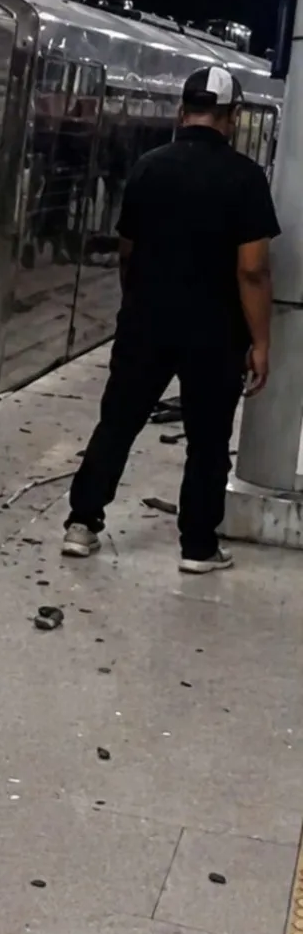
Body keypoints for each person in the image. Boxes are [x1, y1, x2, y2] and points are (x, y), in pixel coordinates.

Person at [63, 67, 280, 573]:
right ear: (231, 118)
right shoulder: (245, 178)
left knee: (117, 424)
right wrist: (261, 341)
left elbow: (126, 250)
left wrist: (136, 303)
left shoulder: (148, 167)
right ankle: (198, 547)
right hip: (214, 332)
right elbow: (252, 270)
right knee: (208, 440)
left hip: (146, 323)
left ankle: (81, 525)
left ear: (183, 113)